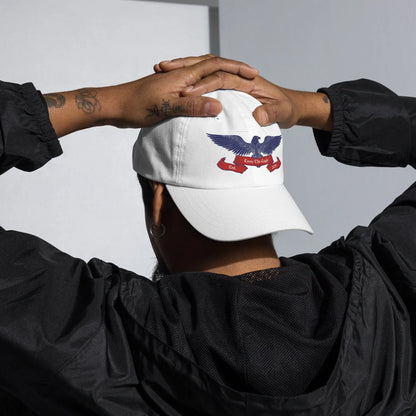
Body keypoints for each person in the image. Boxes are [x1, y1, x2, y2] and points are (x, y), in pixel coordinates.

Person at [0, 54, 415, 415]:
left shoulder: (88, 333)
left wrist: (105, 104)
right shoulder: (388, 297)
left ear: (157, 201)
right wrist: (310, 107)